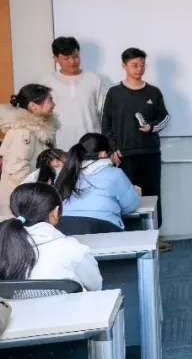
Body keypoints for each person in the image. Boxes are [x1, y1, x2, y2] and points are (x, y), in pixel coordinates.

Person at [101, 48, 171, 250]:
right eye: (134, 65)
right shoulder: (114, 92)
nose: (139, 69)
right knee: (126, 197)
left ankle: (154, 237)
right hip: (124, 154)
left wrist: (151, 127)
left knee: (152, 194)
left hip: (150, 152)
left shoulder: (153, 92)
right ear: (124, 66)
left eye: (142, 65)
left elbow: (164, 117)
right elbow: (105, 124)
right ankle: (129, 240)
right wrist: (112, 148)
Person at [0, 182, 101, 291]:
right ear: (55, 213)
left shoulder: (4, 245)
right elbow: (95, 286)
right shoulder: (73, 248)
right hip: (67, 303)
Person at [53, 133, 141, 233]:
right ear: (103, 154)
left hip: (65, 229)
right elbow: (130, 206)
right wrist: (134, 193)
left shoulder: (64, 174)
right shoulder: (114, 174)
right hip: (102, 228)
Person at [0, 84, 58, 218]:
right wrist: (33, 194)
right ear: (33, 105)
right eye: (50, 100)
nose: (54, 104)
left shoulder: (42, 129)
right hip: (20, 202)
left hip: (29, 198)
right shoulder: (23, 132)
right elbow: (16, 169)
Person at [47, 36, 106, 150]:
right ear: (55, 58)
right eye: (66, 58)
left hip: (91, 144)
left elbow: (104, 111)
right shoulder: (47, 82)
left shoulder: (93, 79)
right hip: (59, 145)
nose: (72, 61)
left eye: (75, 56)